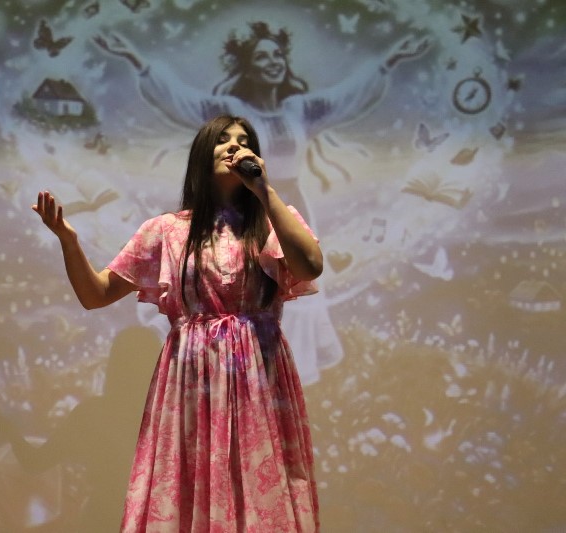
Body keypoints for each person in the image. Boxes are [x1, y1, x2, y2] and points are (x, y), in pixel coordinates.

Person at [31, 115, 323, 531]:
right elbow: (95, 295)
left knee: (260, 495)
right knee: (189, 491)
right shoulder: (166, 231)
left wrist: (264, 191)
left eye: (244, 141)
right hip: (192, 381)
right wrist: (69, 241)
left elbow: (310, 265)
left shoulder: (273, 221)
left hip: (259, 379)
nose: (235, 146)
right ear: (203, 155)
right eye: (224, 140)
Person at [95, 22, 429, 385]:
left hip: (280, 205)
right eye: (262, 57)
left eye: (277, 55)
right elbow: (180, 100)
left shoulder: (299, 109)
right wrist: (136, 60)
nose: (273, 62)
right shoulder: (228, 112)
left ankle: (282, 374)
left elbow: (347, 98)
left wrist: (389, 62)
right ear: (247, 68)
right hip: (233, 235)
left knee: (288, 299)